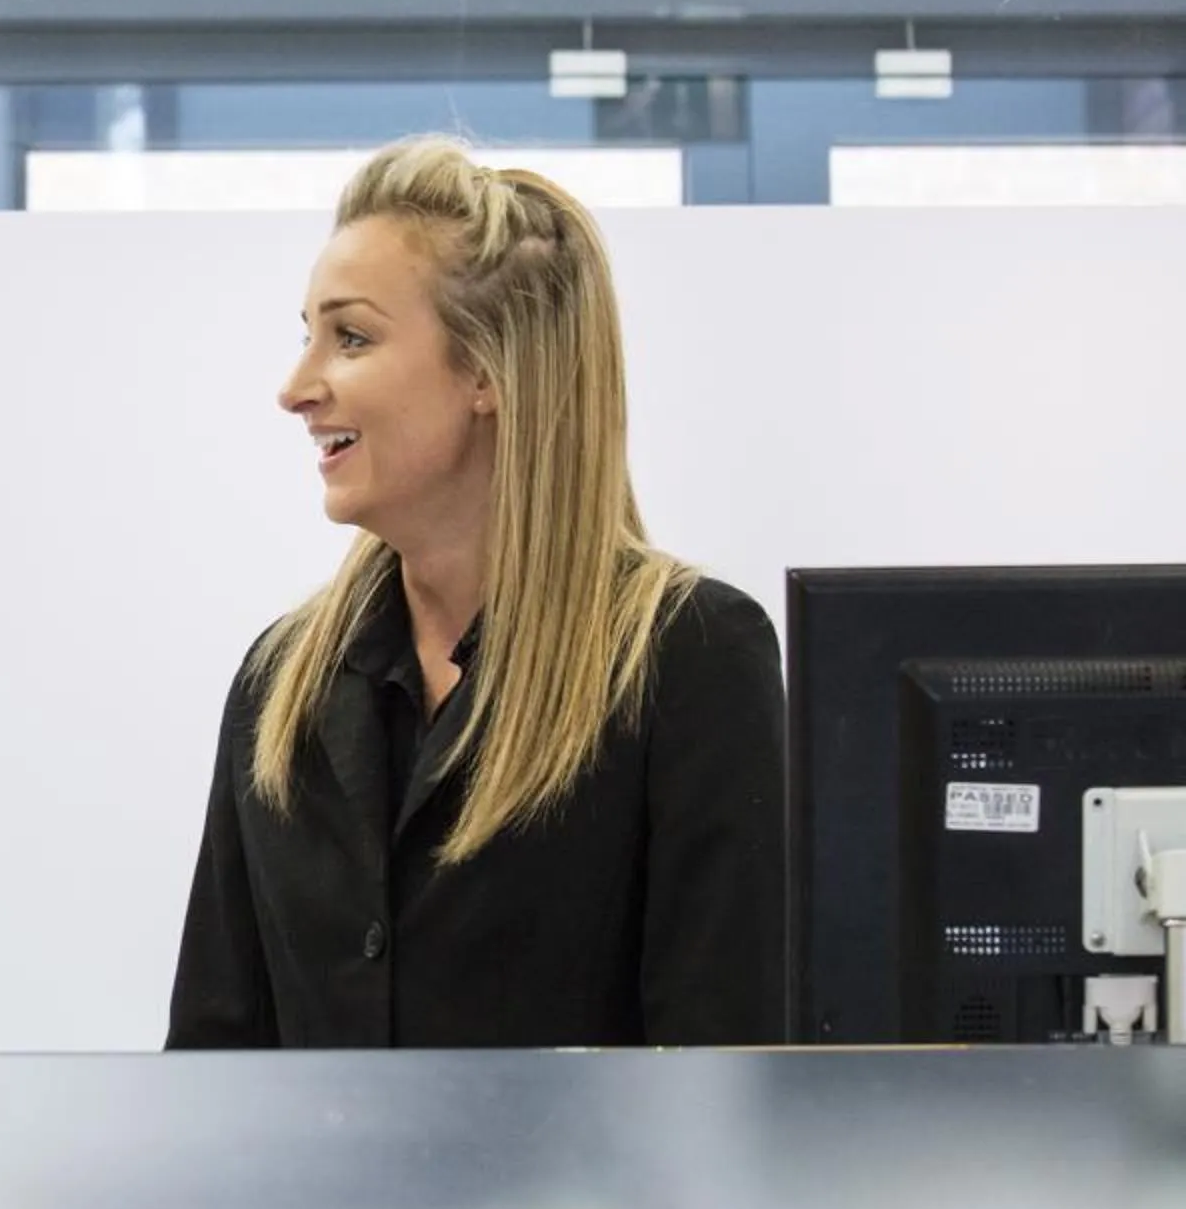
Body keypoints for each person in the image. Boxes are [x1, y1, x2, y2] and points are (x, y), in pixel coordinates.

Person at [167, 138, 783, 1050]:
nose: (297, 389)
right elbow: (215, 1066)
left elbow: (723, 1078)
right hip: (324, 1201)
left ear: (490, 372)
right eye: (309, 336)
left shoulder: (687, 658)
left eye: (353, 337)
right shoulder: (280, 683)